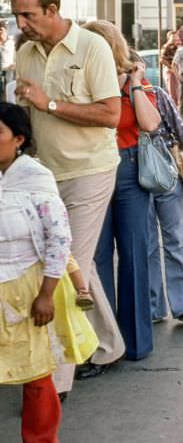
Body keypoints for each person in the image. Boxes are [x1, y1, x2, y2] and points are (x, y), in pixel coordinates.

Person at [12, 0, 126, 386]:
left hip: (89, 170)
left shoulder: (91, 47)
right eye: (17, 15)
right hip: (43, 173)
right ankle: (109, 345)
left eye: (28, 14)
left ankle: (55, 380)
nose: (21, 23)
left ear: (52, 8)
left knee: (61, 263)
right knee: (77, 261)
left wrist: (51, 103)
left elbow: (111, 114)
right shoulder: (24, 54)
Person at [0, 102, 99, 440]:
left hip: (27, 293)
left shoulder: (35, 178)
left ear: (19, 139)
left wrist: (46, 294)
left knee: (36, 375)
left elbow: (59, 238)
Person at [83, 21, 161, 364]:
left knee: (133, 254)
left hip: (129, 167)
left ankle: (136, 342)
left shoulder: (133, 78)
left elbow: (150, 124)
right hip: (91, 166)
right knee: (95, 258)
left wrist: (134, 85)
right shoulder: (84, 78)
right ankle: (103, 342)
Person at [130, 50, 183, 325]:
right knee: (150, 241)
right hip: (137, 177)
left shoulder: (156, 95)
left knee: (173, 239)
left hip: (165, 172)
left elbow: (180, 129)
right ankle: (157, 306)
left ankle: (182, 305)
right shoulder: (116, 98)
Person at [160, 30, 181, 106]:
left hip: (175, 71)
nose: (176, 39)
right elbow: (162, 59)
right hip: (170, 72)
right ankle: (173, 113)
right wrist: (171, 67)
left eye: (177, 38)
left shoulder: (175, 46)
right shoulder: (166, 46)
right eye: (174, 38)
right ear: (169, 37)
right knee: (172, 94)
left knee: (176, 94)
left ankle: (175, 112)